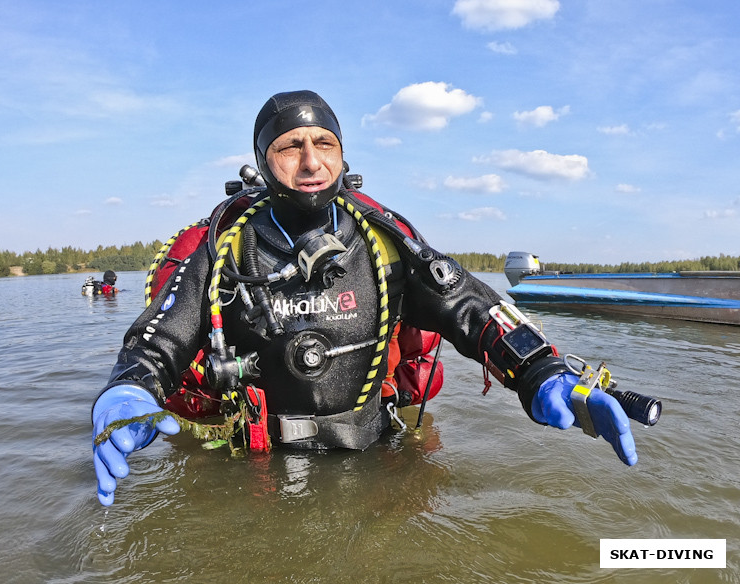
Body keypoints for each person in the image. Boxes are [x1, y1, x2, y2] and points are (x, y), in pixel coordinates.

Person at [92, 90, 639, 507]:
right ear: (262, 162)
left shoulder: (384, 244)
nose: (310, 162)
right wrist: (126, 391)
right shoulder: (227, 252)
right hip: (260, 470)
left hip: (380, 457)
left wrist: (543, 370)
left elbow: (470, 307)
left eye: (324, 144)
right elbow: (158, 342)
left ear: (342, 155)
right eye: (290, 147)